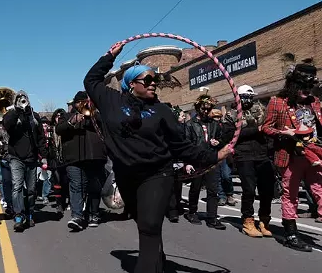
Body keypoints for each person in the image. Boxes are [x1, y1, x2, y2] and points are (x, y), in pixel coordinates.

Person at [84, 42, 232, 273]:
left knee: (151, 224)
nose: (154, 85)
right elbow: (91, 80)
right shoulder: (111, 100)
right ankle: (156, 258)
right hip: (126, 175)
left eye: (155, 81)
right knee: (143, 223)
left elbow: (182, 146)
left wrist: (213, 155)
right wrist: (109, 56)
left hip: (157, 173)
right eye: (148, 80)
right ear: (132, 84)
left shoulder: (161, 110)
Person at [262, 61, 322, 252]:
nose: (306, 92)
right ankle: (291, 235)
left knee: (320, 191)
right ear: (293, 85)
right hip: (290, 155)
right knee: (291, 195)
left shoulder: (314, 102)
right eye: (302, 88)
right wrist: (283, 133)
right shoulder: (277, 101)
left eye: (308, 88)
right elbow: (266, 127)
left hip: (314, 154)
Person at [222, 84, 275, 238]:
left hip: (262, 155)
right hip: (244, 156)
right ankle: (248, 221)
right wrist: (255, 130)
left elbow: (269, 128)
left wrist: (268, 148)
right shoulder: (232, 115)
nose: (247, 100)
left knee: (267, 190)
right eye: (244, 97)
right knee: (249, 190)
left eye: (249, 97)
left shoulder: (262, 110)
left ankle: (264, 220)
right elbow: (229, 136)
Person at [56, 91, 108, 231]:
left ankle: (94, 214)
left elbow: (106, 125)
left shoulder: (97, 115)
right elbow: (59, 129)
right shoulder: (67, 116)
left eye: (86, 102)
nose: (84, 104)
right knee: (76, 186)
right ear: (76, 104)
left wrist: (93, 114)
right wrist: (73, 120)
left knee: (94, 187)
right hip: (74, 158)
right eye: (81, 102)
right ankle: (77, 216)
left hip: (95, 157)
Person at [2, 90, 47, 232]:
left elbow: (40, 137)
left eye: (25, 98)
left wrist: (44, 155)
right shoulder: (11, 114)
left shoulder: (34, 116)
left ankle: (30, 213)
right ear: (16, 101)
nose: (23, 100)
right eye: (20, 99)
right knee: (17, 187)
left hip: (32, 158)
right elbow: (7, 125)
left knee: (31, 190)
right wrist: (17, 110)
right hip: (16, 157)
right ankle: (18, 216)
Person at [183, 95, 227, 229]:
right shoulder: (190, 125)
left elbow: (222, 140)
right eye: (204, 108)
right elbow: (186, 144)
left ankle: (212, 217)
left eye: (209, 109)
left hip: (211, 159)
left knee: (213, 189)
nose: (206, 111)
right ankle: (192, 212)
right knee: (195, 187)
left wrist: (218, 143)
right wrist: (187, 162)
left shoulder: (215, 124)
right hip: (196, 160)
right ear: (198, 108)